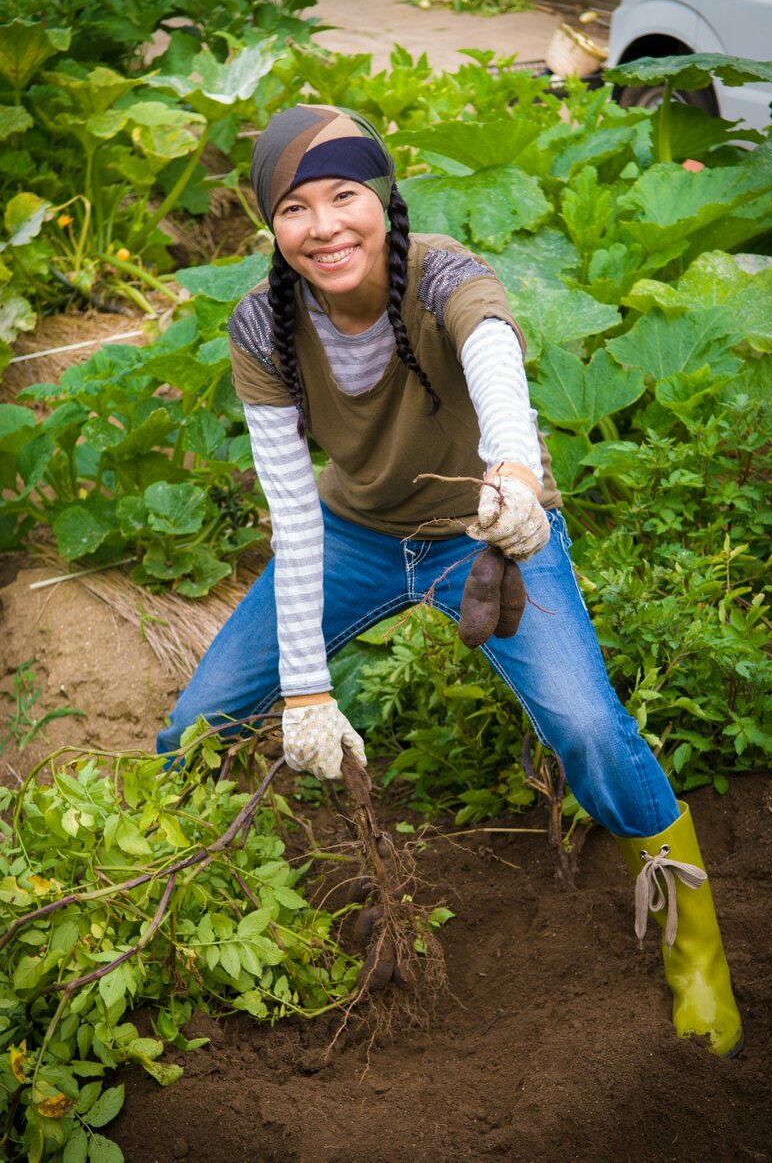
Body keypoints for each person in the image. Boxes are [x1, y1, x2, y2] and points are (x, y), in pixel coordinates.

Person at [157, 104, 742, 1057]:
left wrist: (513, 476)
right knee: (194, 728)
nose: (325, 225)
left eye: (345, 194)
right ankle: (184, 909)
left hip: (488, 526)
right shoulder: (263, 321)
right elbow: (294, 512)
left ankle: (698, 955)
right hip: (351, 534)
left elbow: (495, 359)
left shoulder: (446, 273)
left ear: (383, 199)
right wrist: (305, 686)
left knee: (590, 727)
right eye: (295, 208)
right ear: (272, 227)